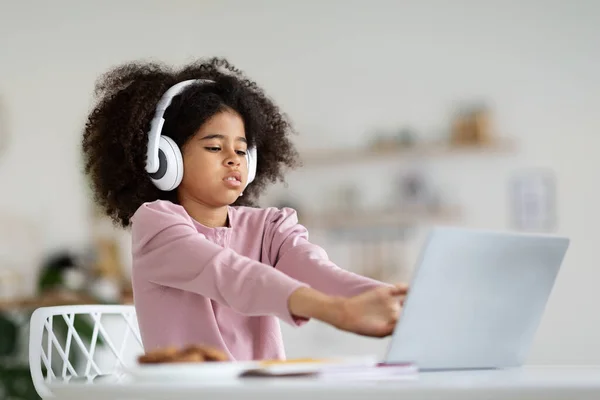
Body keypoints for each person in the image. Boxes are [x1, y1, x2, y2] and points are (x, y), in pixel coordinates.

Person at [81, 57, 408, 361]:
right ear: (166, 159)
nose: (232, 158)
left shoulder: (270, 226)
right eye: (213, 146)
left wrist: (400, 301)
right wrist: (337, 311)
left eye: (241, 149)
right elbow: (230, 274)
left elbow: (321, 272)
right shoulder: (156, 226)